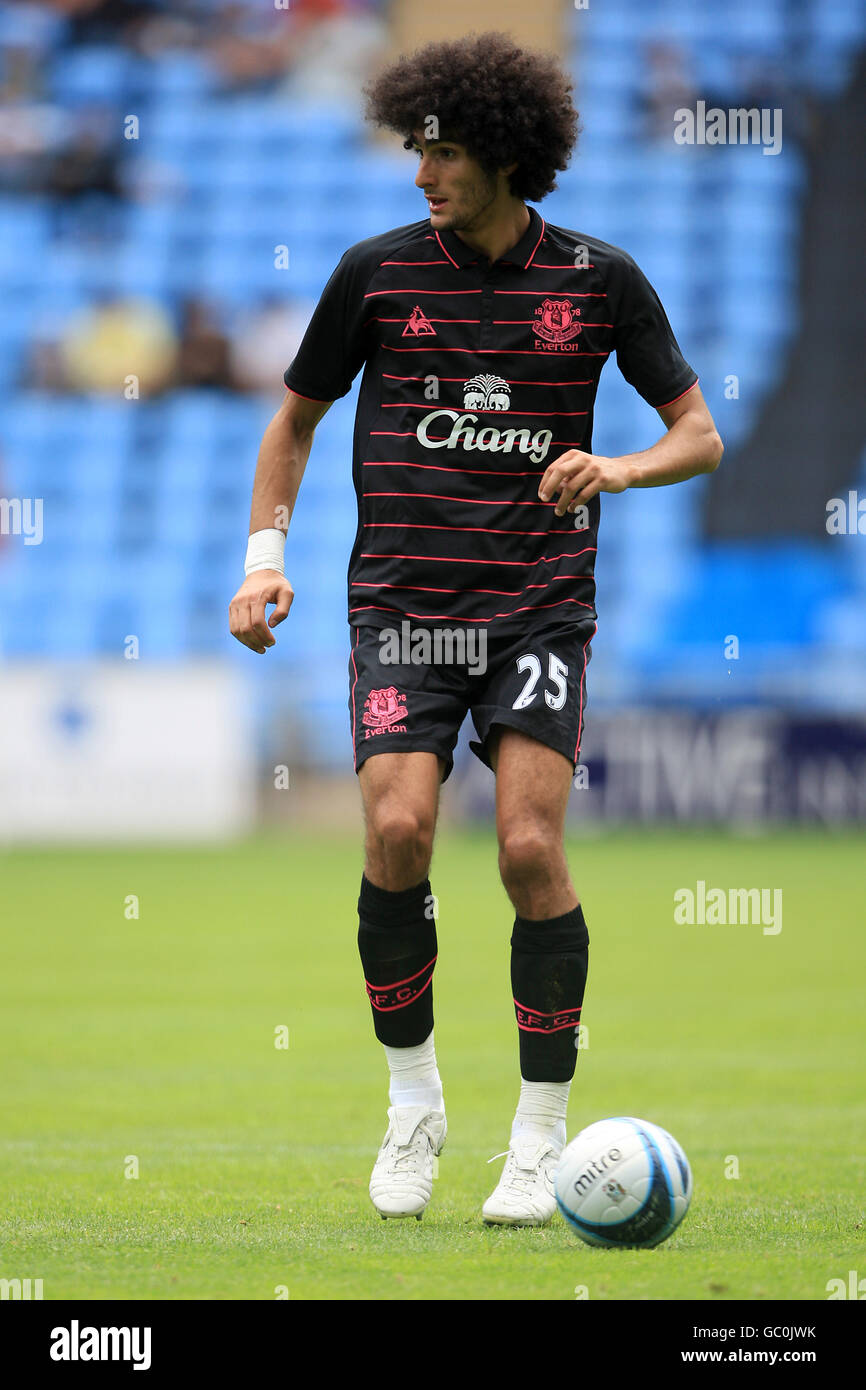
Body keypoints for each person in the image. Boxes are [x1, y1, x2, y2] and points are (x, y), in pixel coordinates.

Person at [228, 31, 723, 1226]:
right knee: (397, 828)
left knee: (527, 854)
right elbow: (292, 423)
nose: (420, 176)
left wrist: (612, 466)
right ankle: (413, 1105)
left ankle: (537, 1138)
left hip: (536, 609)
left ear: (504, 153)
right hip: (402, 606)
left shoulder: (600, 281)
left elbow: (697, 432)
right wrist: (262, 560)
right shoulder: (376, 274)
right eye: (414, 151)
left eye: (440, 153)